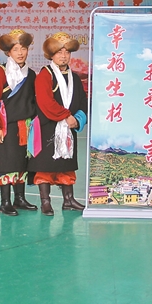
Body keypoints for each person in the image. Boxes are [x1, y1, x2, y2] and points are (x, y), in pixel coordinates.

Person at [29, 32, 88, 215]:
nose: (64, 56)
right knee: (45, 166)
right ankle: (45, 202)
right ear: (51, 55)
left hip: (69, 128)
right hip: (48, 127)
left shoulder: (74, 78)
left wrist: (77, 119)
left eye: (67, 52)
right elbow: (45, 102)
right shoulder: (44, 75)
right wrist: (65, 116)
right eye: (59, 52)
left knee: (67, 165)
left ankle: (68, 200)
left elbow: (83, 102)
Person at [0, 29, 38, 216]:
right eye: (16, 49)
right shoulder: (0, 72)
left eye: (23, 48)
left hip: (26, 125)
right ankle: (5, 202)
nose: (20, 53)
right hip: (6, 126)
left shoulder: (31, 74)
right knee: (7, 163)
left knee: (22, 162)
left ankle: (20, 198)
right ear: (8, 52)